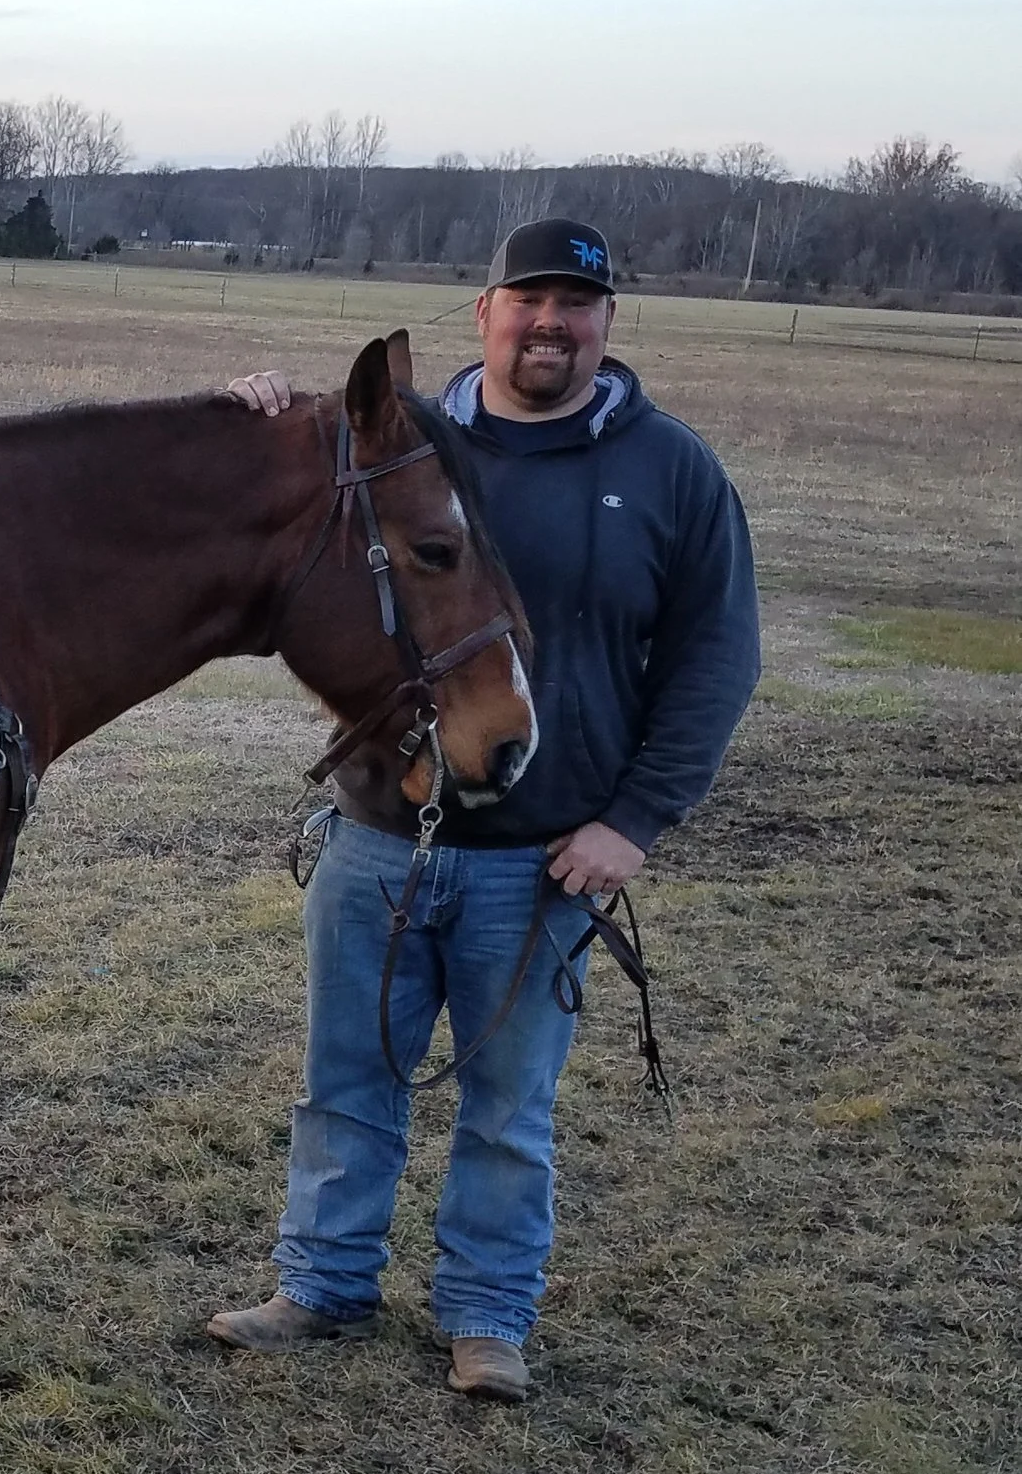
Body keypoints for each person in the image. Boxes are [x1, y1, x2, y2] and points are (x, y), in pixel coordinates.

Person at [206, 218, 761, 1402]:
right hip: (376, 836)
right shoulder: (411, 443)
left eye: (575, 302)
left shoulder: (670, 472)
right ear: (485, 311)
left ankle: (485, 1316)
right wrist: (253, 420)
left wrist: (636, 822)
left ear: (608, 322)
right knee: (343, 1078)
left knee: (509, 1107)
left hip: (544, 853)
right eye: (529, 299)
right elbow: (275, 518)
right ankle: (322, 1283)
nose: (549, 322)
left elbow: (715, 659)